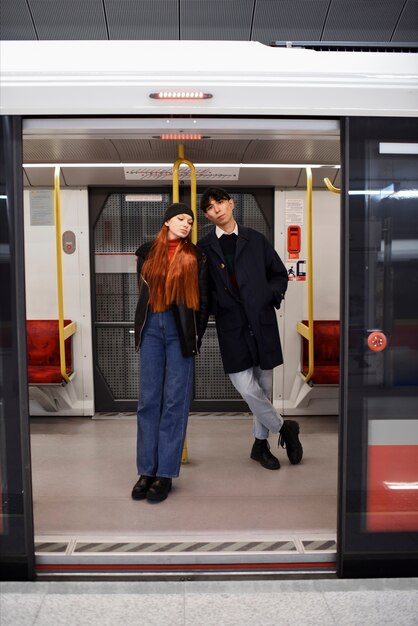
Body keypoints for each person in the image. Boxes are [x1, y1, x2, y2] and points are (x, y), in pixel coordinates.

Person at [198, 187, 303, 470]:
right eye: (209, 207)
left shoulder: (255, 240)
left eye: (220, 202)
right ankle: (284, 428)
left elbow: (279, 274)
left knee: (264, 388)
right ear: (207, 216)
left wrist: (267, 296)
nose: (216, 209)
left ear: (231, 204)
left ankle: (260, 445)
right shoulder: (204, 247)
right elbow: (203, 292)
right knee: (247, 388)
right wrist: (195, 329)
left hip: (261, 322)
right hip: (231, 327)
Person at [132, 203, 209, 502]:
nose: (187, 224)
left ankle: (165, 473)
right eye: (181, 218)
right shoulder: (146, 252)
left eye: (190, 221)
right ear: (166, 222)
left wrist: (196, 336)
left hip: (180, 332)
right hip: (152, 326)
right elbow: (143, 295)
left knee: (174, 403)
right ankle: (146, 471)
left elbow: (202, 304)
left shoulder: (196, 256)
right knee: (148, 401)